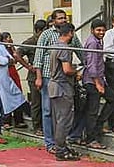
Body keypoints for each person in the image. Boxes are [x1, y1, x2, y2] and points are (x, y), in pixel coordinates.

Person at [34, 10, 85, 152]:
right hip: (47, 77)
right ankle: (50, 143)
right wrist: (38, 77)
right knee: (48, 111)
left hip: (63, 80)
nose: (63, 20)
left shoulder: (70, 37)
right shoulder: (47, 35)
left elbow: (80, 52)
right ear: (53, 20)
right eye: (60, 18)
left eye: (65, 18)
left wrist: (88, 66)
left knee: (62, 114)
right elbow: (38, 57)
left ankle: (61, 143)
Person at [0, 23, 26, 144]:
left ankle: (38, 125)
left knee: (20, 99)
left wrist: (5, 61)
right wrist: (5, 60)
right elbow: (4, 60)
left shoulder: (0, 45)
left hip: (6, 79)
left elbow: (10, 58)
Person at [48, 23, 80, 161]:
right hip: (62, 87)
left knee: (58, 119)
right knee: (64, 120)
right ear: (70, 33)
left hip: (54, 87)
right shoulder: (65, 48)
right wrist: (77, 73)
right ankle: (61, 150)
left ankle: (61, 145)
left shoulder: (55, 45)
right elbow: (67, 70)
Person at [83, 19, 114, 150]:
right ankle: (91, 139)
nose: (101, 32)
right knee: (92, 110)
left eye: (103, 30)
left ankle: (98, 126)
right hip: (92, 81)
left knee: (112, 99)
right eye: (98, 30)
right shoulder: (92, 43)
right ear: (92, 30)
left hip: (99, 79)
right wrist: (98, 83)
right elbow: (91, 65)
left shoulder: (98, 41)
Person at [18, 19, 47, 136]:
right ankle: (37, 127)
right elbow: (17, 54)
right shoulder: (31, 42)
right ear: (39, 30)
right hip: (34, 76)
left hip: (46, 74)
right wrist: (29, 67)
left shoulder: (47, 40)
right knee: (36, 103)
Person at [1, 31, 33, 129]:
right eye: (6, 38)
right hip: (6, 73)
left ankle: (19, 120)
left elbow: (16, 58)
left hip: (13, 73)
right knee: (7, 97)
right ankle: (7, 120)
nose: (8, 39)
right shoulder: (0, 49)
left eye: (9, 37)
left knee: (18, 95)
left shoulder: (12, 48)